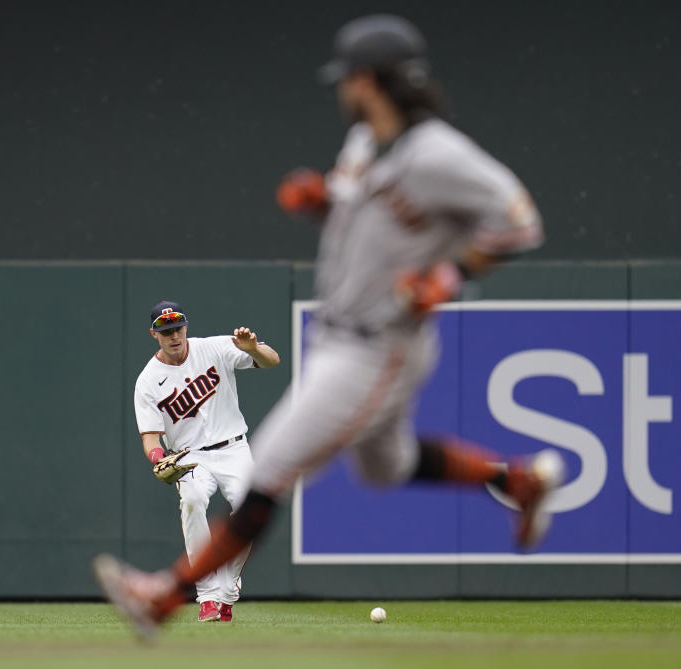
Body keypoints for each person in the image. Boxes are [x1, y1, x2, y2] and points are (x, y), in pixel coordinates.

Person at [94, 15, 564, 638]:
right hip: (342, 335)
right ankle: (517, 480)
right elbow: (366, 226)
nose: (342, 91)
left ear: (369, 80)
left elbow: (519, 220)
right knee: (386, 466)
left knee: (268, 473)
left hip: (377, 345)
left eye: (348, 79)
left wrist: (447, 278)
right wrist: (322, 204)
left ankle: (165, 599)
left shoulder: (437, 152)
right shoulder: (367, 144)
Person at [133, 300, 280, 623]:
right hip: (189, 456)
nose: (174, 335)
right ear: (154, 334)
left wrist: (254, 349)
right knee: (193, 501)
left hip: (234, 448)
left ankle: (227, 590)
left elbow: (272, 361)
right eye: (166, 330)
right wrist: (159, 458)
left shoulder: (212, 347)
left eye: (178, 328)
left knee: (252, 511)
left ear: (186, 326)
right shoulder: (148, 380)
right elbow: (151, 438)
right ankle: (209, 595)